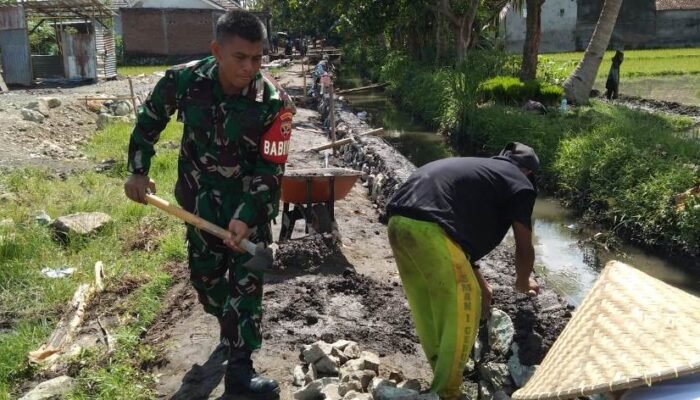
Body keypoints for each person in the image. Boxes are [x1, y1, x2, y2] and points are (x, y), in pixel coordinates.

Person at [123, 10, 294, 400]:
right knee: (207, 282)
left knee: (246, 286)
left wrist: (249, 217)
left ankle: (240, 370)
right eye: (240, 57)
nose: (250, 67)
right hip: (198, 206)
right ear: (216, 50)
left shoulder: (274, 103)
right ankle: (227, 325)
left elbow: (271, 169)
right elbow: (149, 120)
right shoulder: (183, 80)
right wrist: (138, 171)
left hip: (249, 210)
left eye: (257, 58)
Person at [385, 142, 541, 399]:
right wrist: (524, 281)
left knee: (427, 305)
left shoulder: (483, 172)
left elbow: (457, 232)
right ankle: (447, 392)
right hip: (431, 230)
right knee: (462, 311)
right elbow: (524, 246)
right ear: (529, 172)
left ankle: (439, 376)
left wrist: (482, 283)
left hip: (399, 223)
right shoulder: (521, 185)